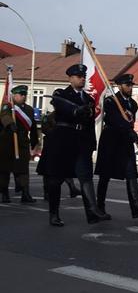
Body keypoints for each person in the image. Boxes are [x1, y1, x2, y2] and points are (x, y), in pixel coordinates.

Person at [40, 64, 110, 226]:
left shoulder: (89, 99)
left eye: (84, 77)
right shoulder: (61, 94)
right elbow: (62, 107)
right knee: (56, 179)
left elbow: (91, 124)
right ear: (70, 78)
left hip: (82, 141)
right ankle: (54, 214)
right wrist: (76, 111)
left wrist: (92, 143)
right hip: (63, 140)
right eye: (79, 77)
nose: (82, 79)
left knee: (86, 178)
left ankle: (92, 212)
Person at [94, 74, 138, 218]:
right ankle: (100, 206)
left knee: (131, 174)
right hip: (111, 140)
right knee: (105, 175)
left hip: (125, 142)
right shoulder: (111, 101)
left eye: (131, 85)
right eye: (127, 85)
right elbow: (113, 119)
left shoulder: (133, 104)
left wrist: (130, 132)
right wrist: (128, 130)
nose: (130, 88)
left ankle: (135, 208)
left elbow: (130, 120)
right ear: (119, 86)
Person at [0, 85, 39, 204]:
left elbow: (32, 127)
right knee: (4, 169)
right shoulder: (8, 107)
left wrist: (34, 141)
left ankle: (25, 193)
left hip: (22, 142)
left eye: (25, 95)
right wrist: (10, 124)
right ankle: (4, 193)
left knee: (23, 170)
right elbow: (4, 116)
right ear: (14, 95)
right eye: (21, 95)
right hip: (7, 141)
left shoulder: (29, 109)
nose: (23, 97)